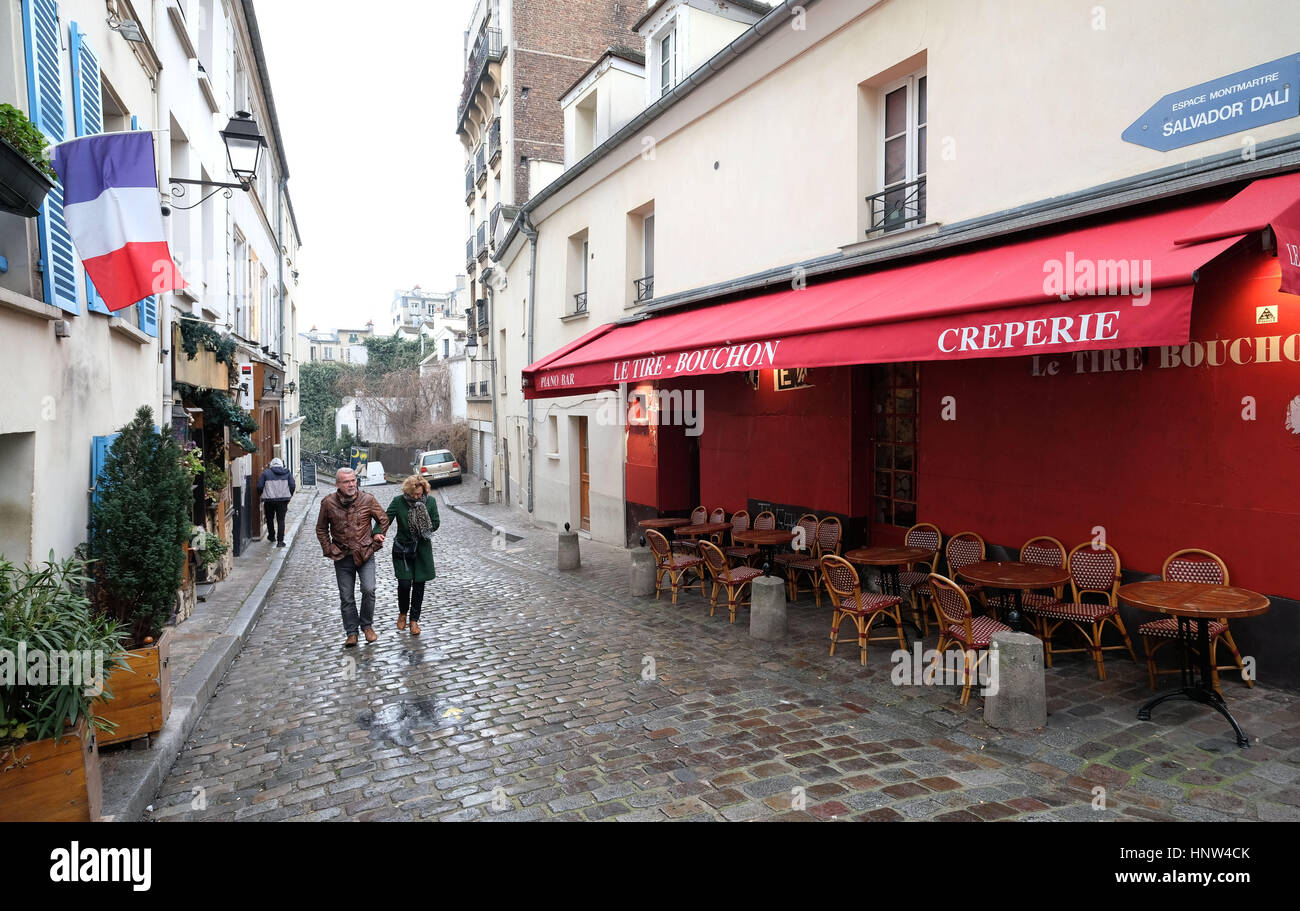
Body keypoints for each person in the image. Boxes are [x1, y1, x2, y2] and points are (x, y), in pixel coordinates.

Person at [316, 467, 390, 647]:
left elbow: (383, 519)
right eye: (346, 482)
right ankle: (351, 632)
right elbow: (321, 528)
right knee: (346, 596)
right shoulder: (328, 503)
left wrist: (377, 536)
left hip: (365, 553)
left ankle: (367, 626)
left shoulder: (368, 499)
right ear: (338, 484)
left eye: (353, 480)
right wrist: (329, 549)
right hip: (342, 556)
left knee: (369, 589)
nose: (351, 484)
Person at [386, 475, 440, 636]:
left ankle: (414, 621)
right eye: (414, 494)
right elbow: (385, 519)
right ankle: (403, 612)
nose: (417, 497)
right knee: (404, 583)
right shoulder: (398, 502)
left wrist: (424, 524)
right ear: (408, 491)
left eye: (420, 494)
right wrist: (377, 534)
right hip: (403, 549)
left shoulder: (430, 502)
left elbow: (436, 523)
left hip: (422, 549)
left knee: (419, 586)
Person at [256, 457, 296, 547]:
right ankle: (280, 541)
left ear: (271, 465)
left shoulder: (265, 473)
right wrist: (289, 495)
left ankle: (271, 536)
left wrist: (261, 495)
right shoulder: (287, 473)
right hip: (283, 500)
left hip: (269, 500)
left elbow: (259, 486)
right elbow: (292, 485)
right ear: (281, 465)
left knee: (269, 519)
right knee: (281, 520)